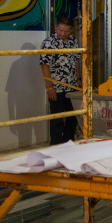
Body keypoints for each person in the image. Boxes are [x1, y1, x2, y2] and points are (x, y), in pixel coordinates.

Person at [40, 17, 81, 145]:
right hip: (57, 87)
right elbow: (44, 65)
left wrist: (79, 79)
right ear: (56, 27)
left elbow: (77, 61)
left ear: (72, 30)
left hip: (72, 86)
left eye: (66, 31)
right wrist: (50, 87)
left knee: (73, 118)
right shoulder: (48, 43)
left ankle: (68, 144)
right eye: (60, 30)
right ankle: (56, 147)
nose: (62, 34)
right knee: (57, 119)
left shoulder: (74, 41)